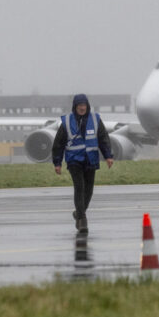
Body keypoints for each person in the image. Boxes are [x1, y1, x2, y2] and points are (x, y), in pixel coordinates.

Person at [52, 94, 114, 233]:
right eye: (79, 105)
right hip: (74, 159)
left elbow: (103, 138)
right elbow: (58, 143)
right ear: (75, 106)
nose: (82, 107)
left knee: (89, 190)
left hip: (90, 159)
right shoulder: (67, 121)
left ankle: (79, 212)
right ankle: (82, 221)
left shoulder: (95, 119)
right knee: (79, 187)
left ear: (87, 106)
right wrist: (57, 162)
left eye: (84, 105)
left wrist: (108, 156)